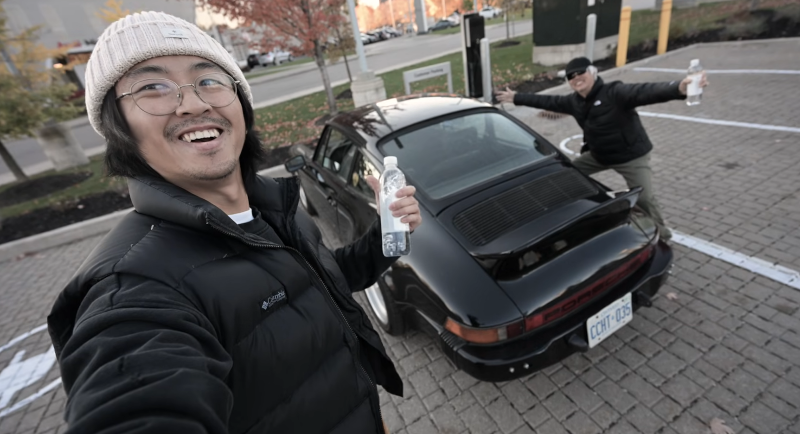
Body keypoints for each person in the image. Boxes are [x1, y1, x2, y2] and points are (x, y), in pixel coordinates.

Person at [47, 11, 421, 434]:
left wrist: (387, 235)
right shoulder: (134, 288)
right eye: (152, 87)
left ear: (240, 104)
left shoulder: (273, 204)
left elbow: (324, 280)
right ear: (120, 130)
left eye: (209, 79)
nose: (193, 102)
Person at [497, 57, 708, 241]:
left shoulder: (615, 92)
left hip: (631, 157)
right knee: (566, 174)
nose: (576, 78)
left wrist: (679, 88)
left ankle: (663, 235)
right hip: (599, 155)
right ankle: (577, 213)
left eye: (581, 73)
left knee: (645, 198)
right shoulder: (574, 102)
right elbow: (547, 100)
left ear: (593, 73)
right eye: (571, 76)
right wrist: (516, 97)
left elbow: (645, 92)